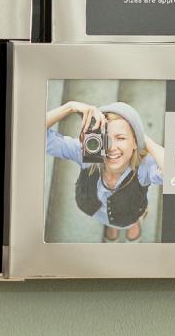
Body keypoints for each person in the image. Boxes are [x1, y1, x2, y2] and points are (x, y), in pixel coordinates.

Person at [45, 98, 165, 242]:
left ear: (135, 142)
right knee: (110, 221)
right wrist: (70, 107)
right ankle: (112, 226)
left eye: (121, 138)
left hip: (131, 213)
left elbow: (174, 171)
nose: (112, 147)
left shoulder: (143, 168)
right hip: (98, 211)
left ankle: (133, 225)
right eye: (105, 138)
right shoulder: (89, 154)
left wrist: (141, 137)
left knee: (129, 220)